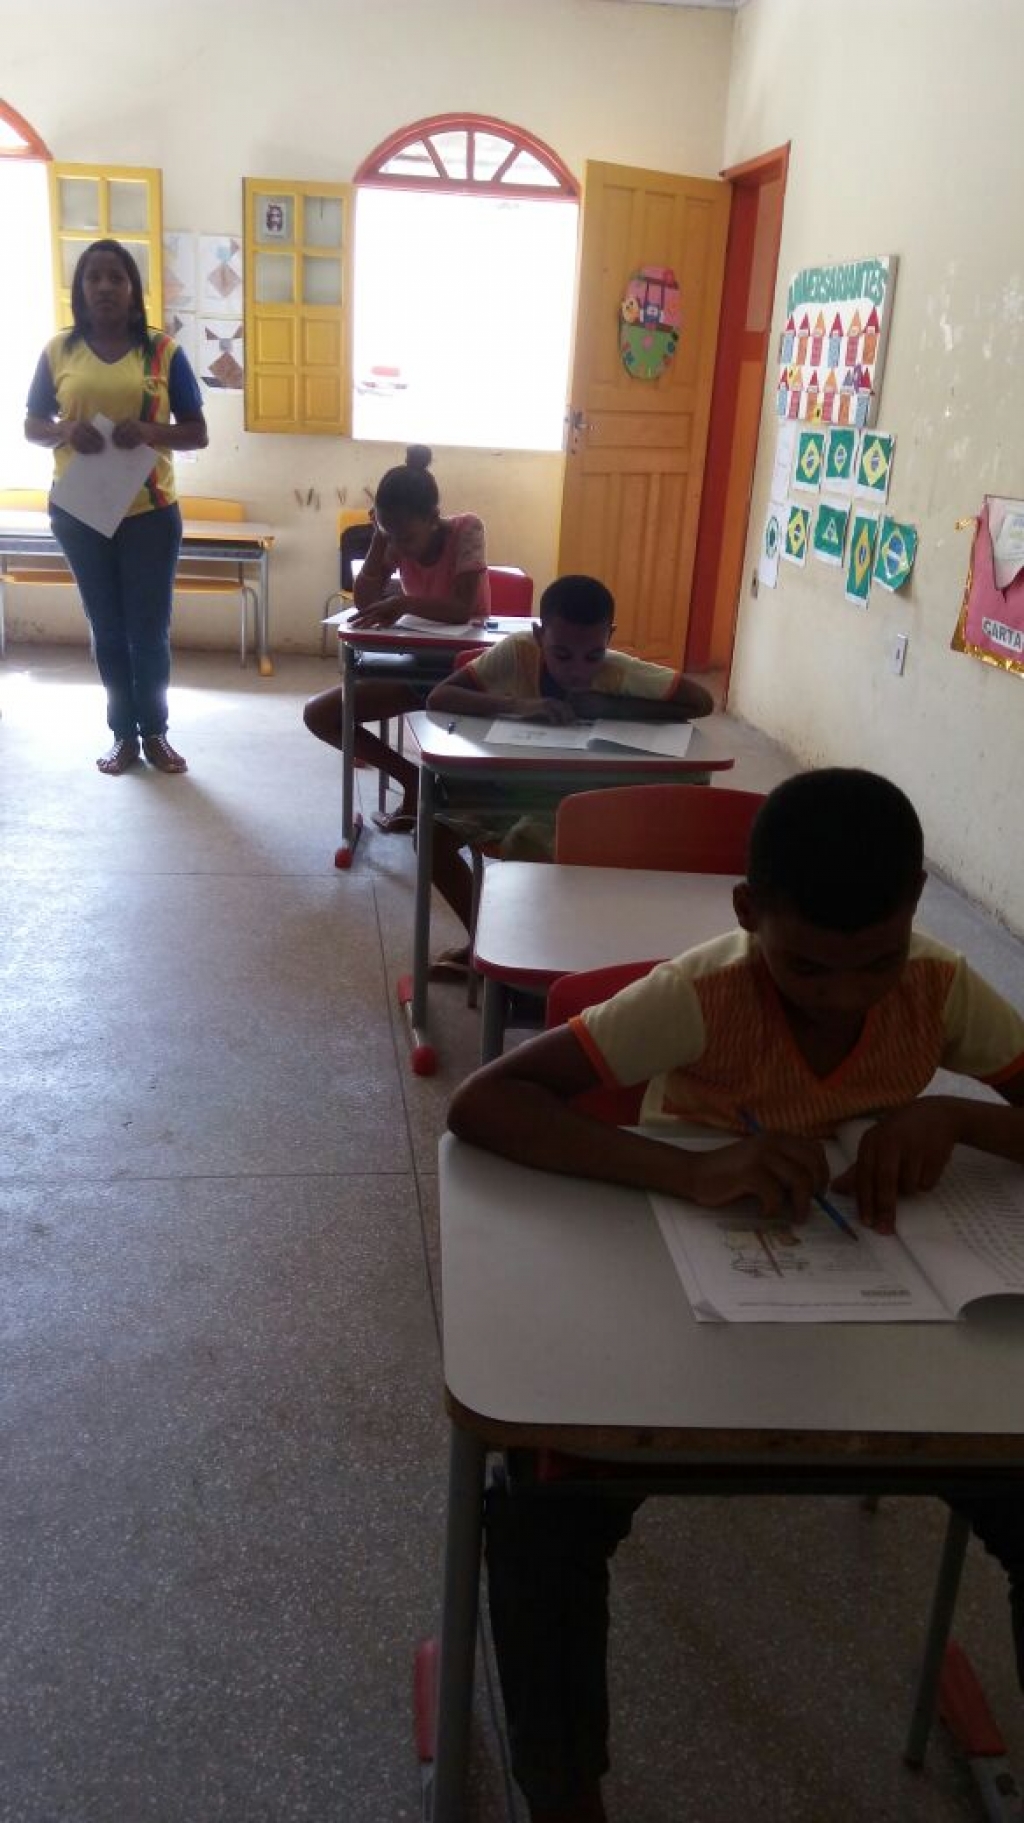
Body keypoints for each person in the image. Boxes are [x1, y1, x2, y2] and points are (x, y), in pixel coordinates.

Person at [448, 769, 1024, 1823]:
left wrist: (958, 1118)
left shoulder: (938, 987)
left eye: (878, 960)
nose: (846, 995)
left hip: (881, 1319)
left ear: (914, 906)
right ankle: (565, 1793)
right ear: (749, 911)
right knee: (544, 1517)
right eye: (807, 965)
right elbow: (487, 1103)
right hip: (688, 1306)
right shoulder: (702, 992)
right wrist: (689, 1169)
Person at [422, 573, 714, 977]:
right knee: (431, 836)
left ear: (609, 638)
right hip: (509, 790)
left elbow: (701, 701)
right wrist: (519, 706)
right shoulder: (518, 653)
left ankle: (543, 961)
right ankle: (485, 944)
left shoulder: (618, 671)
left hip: (581, 800)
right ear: (539, 635)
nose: (577, 670)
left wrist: (611, 706)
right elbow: (440, 696)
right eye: (562, 654)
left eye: (593, 656)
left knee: (542, 850)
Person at [24, 239, 208, 775]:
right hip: (80, 512)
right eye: (94, 277)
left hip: (149, 512)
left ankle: (156, 734)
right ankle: (122, 735)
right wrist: (63, 431)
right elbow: (32, 425)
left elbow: (197, 432)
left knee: (148, 633)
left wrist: (151, 431)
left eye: (116, 277)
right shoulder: (58, 351)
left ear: (133, 289)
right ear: (80, 290)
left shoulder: (163, 352)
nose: (105, 287)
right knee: (106, 630)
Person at [303, 444, 489, 833]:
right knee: (320, 715)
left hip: (466, 671)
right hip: (418, 665)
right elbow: (366, 601)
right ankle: (414, 780)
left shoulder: (466, 529)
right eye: (391, 536)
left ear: (433, 518)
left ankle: (450, 795)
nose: (399, 547)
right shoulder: (394, 536)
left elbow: (461, 608)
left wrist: (404, 602)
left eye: (406, 538)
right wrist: (378, 539)